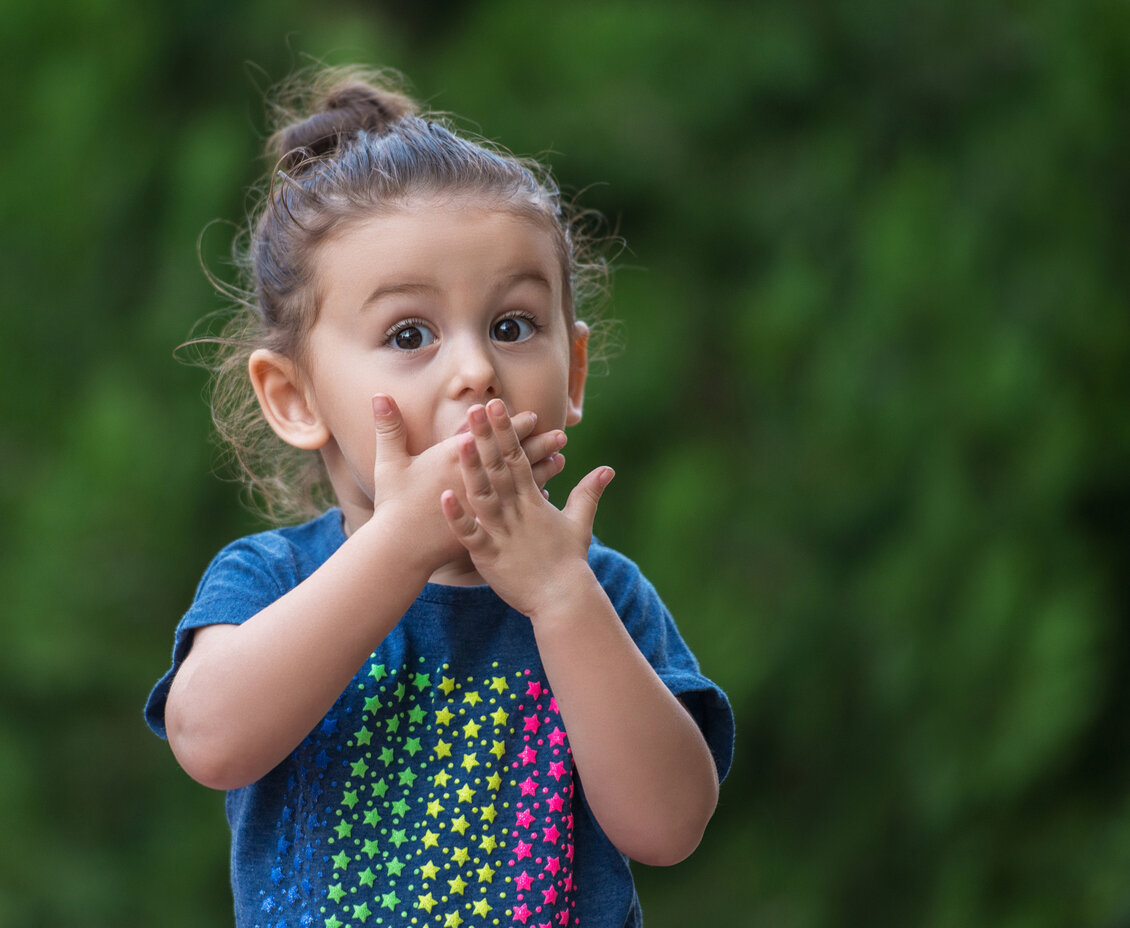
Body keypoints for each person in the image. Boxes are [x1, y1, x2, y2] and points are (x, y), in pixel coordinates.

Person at [146, 65, 734, 928]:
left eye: (511, 325)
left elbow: (669, 824)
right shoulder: (271, 578)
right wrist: (399, 546)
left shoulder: (597, 593)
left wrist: (561, 597)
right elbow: (211, 740)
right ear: (295, 398)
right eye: (409, 334)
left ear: (571, 373)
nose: (475, 369)